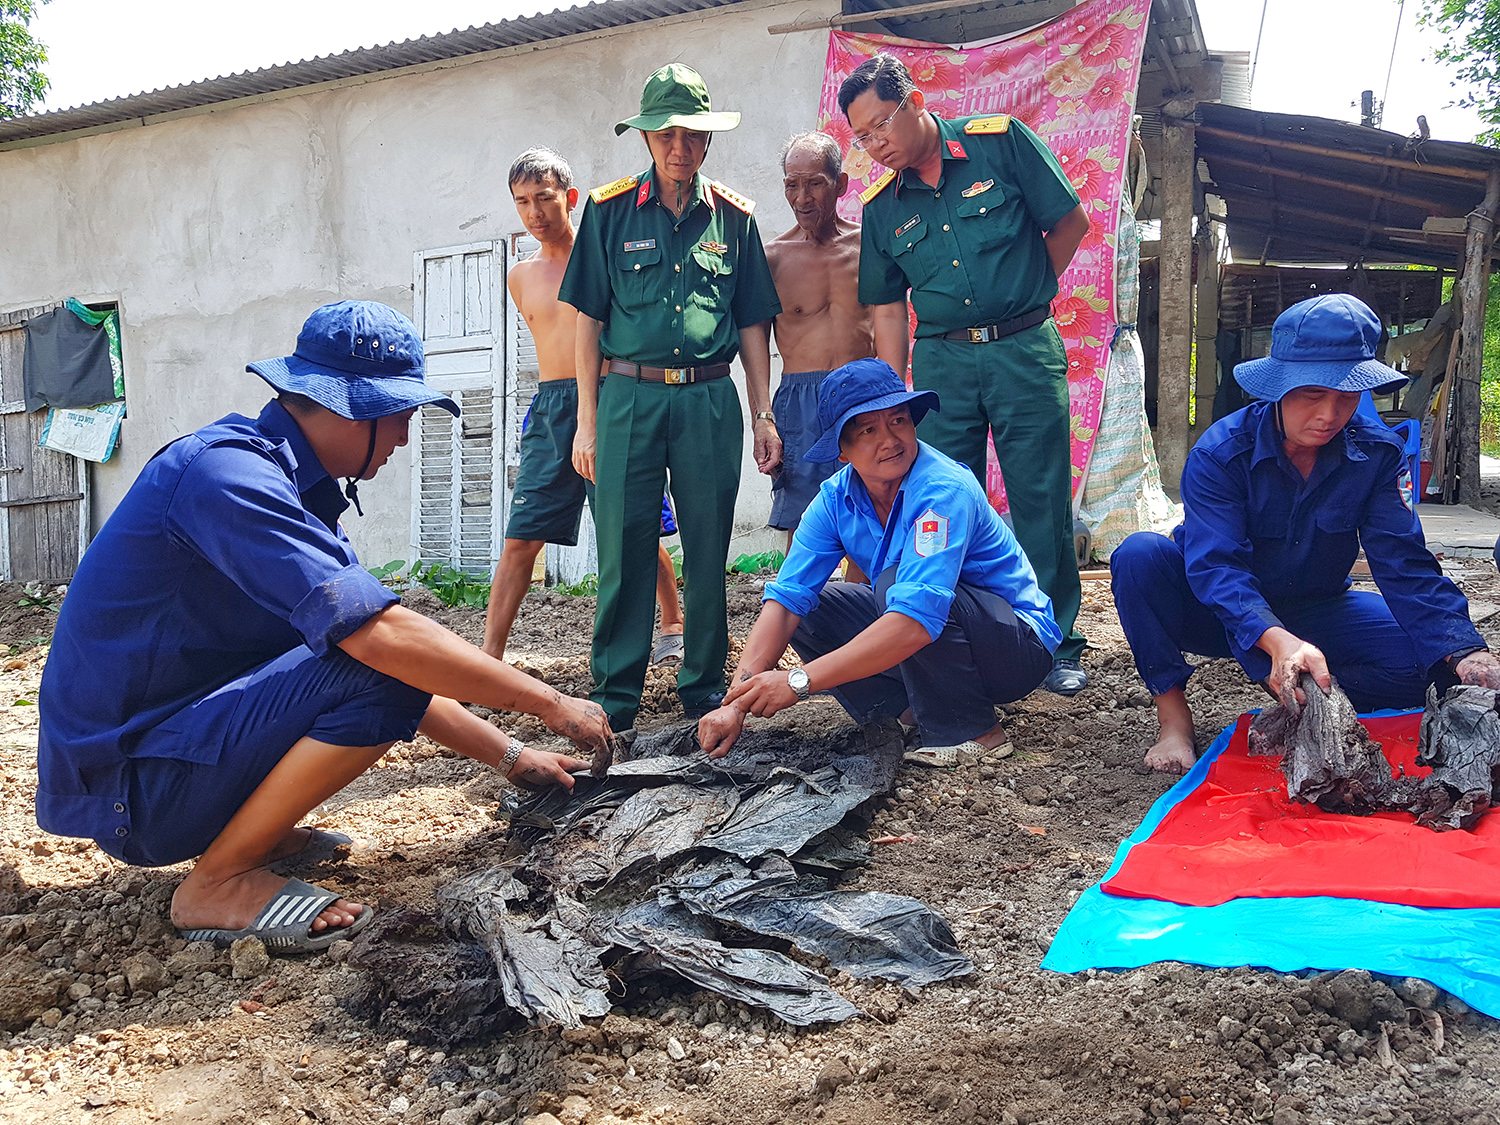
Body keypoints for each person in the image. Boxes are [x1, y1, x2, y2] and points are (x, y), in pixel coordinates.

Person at [36, 301, 613, 951]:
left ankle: (246, 834)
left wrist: (511, 756)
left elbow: (381, 649)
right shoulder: (226, 475)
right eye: (396, 417)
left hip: (156, 757)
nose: (401, 438)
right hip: (134, 791)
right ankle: (219, 882)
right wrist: (550, 701)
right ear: (345, 407)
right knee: (376, 667)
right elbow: (382, 647)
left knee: (372, 662)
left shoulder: (292, 493)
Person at [1110, 294, 1500, 774]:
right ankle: (1173, 718)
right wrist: (1275, 640)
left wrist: (1464, 649)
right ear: (1279, 387)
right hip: (1216, 611)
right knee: (1138, 556)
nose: (1329, 415)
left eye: (1347, 395)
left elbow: (1403, 562)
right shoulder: (1221, 452)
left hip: (1320, 607)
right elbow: (1218, 567)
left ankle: (1313, 696)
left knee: (1432, 669)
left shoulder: (1377, 454)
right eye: (1313, 394)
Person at [838, 53, 1093, 696]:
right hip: (942, 364)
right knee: (941, 504)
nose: (876, 146)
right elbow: (888, 307)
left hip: (1022, 350)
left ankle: (1052, 640)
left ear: (916, 100)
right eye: (862, 137)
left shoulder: (1000, 143)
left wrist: (1029, 294)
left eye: (881, 126)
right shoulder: (880, 208)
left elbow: (1068, 222)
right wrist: (893, 399)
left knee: (1039, 498)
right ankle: (966, 636)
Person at [559, 64, 783, 732]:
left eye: (692, 133)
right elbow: (588, 323)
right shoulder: (606, 212)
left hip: (710, 401)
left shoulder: (736, 220)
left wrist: (762, 411)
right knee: (624, 544)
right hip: (627, 395)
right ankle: (617, 695)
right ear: (648, 137)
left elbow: (753, 324)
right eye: (665, 133)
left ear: (707, 141)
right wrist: (586, 422)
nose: (679, 145)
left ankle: (704, 684)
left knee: (709, 544)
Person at [697, 359, 1059, 762]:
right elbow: (785, 602)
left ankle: (972, 731)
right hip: (939, 626)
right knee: (813, 609)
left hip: (1015, 648)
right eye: (868, 430)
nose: (890, 439)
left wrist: (798, 682)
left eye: (899, 421)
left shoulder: (941, 490)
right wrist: (736, 701)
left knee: (893, 588)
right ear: (842, 450)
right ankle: (902, 715)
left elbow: (915, 620)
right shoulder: (835, 499)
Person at [482, 148, 685, 665]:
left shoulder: (606, 258)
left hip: (612, 399)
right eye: (522, 202)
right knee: (521, 539)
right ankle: (488, 655)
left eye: (545, 198)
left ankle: (673, 621)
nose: (534, 213)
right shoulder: (519, 276)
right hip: (552, 410)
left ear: (570, 198)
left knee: (630, 524)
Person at [764, 131, 875, 545]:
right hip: (801, 398)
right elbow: (752, 341)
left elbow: (890, 318)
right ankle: (798, 608)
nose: (802, 197)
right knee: (802, 517)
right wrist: (763, 416)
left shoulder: (869, 246)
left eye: (815, 183)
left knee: (871, 510)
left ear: (841, 184)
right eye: (792, 184)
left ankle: (860, 606)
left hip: (862, 392)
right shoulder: (773, 258)